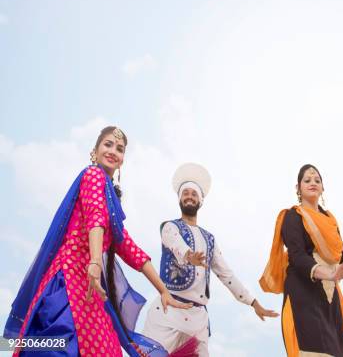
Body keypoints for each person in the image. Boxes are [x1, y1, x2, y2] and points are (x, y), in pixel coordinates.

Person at [4, 126, 192, 357]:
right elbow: (95, 217)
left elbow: (127, 247)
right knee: (60, 345)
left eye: (120, 149)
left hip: (91, 288)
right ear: (95, 151)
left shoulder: (110, 196)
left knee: (105, 349)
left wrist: (163, 290)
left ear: (122, 160)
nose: (113, 151)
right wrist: (94, 261)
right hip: (69, 280)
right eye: (108, 144)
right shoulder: (92, 175)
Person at [142, 162, 278, 356]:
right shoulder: (169, 227)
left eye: (194, 193)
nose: (189, 196)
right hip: (167, 313)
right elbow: (177, 245)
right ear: (179, 199)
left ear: (201, 201)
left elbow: (226, 275)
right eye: (185, 193)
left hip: (197, 320)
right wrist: (190, 256)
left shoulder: (209, 239)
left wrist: (254, 303)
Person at [260, 164, 343, 357]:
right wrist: (330, 273)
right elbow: (297, 256)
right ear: (298, 188)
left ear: (323, 188)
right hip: (303, 294)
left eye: (317, 180)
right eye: (307, 180)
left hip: (329, 297)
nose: (312, 183)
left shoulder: (330, 220)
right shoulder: (292, 216)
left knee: (336, 351)